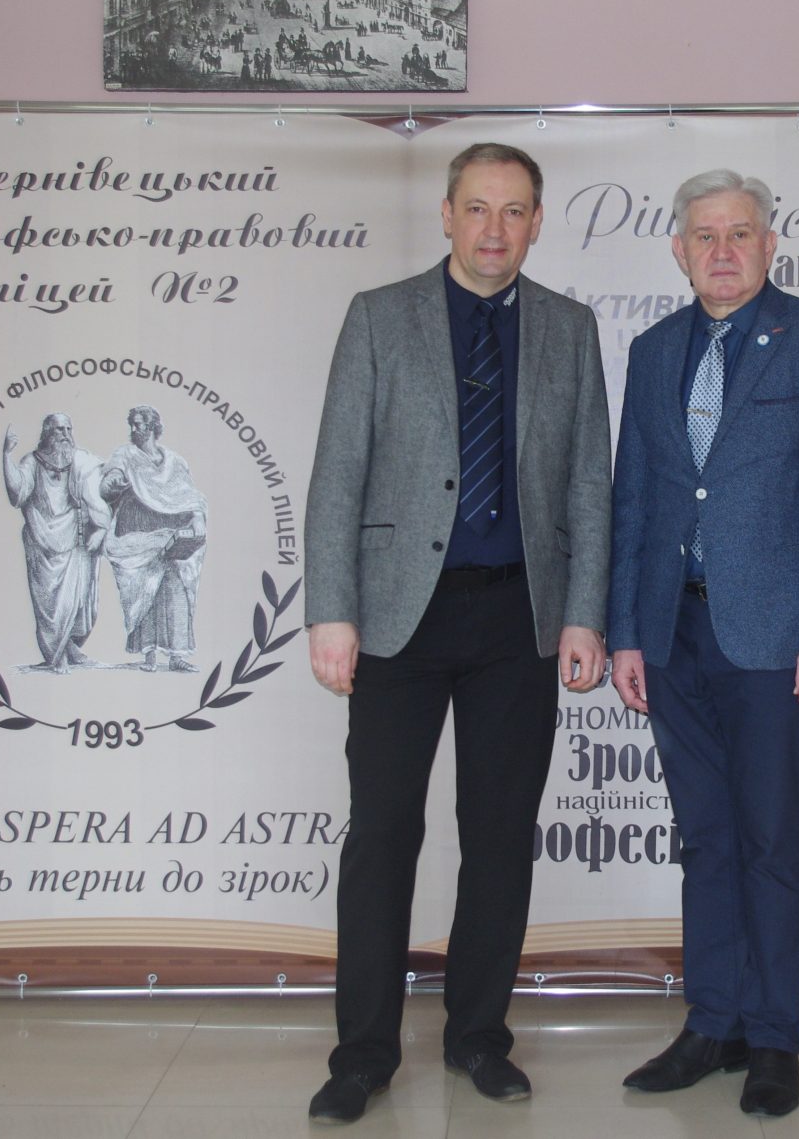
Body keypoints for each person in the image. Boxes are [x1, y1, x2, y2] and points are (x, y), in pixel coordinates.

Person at [304, 142, 612, 1124]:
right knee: (382, 834)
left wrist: (585, 613)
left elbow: (589, 484)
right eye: (477, 208)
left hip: (519, 617)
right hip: (399, 616)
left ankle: (480, 1035)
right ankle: (363, 1052)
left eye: (514, 211)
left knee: (501, 838)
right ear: (446, 214)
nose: (494, 229)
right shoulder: (379, 316)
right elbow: (338, 472)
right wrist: (331, 609)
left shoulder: (569, 328)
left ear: (537, 222)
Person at [606, 169, 799, 1117]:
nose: (722, 251)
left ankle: (773, 1035)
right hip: (672, 633)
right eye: (704, 235)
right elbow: (635, 500)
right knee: (706, 838)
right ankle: (713, 1020)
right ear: (678, 250)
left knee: (769, 839)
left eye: (739, 234)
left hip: (776, 642)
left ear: (769, 245)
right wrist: (626, 632)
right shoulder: (653, 350)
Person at [101, 405, 208, 673]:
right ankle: (149, 656)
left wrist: (197, 518)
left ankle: (177, 656)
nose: (134, 429)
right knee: (144, 593)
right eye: (132, 424)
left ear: (152, 427)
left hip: (170, 535)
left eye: (139, 424)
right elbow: (108, 483)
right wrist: (112, 484)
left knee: (176, 593)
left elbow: (190, 496)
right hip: (138, 534)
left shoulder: (175, 462)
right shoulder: (125, 455)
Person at [0, 413, 109, 673]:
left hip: (75, 539)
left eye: (68, 429)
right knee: (51, 605)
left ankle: (69, 647)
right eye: (59, 429)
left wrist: (101, 527)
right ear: (47, 432)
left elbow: (99, 490)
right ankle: (56, 655)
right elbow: (17, 493)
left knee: (77, 600)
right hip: (42, 542)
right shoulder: (32, 461)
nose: (65, 434)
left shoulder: (80, 461)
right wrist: (6, 455)